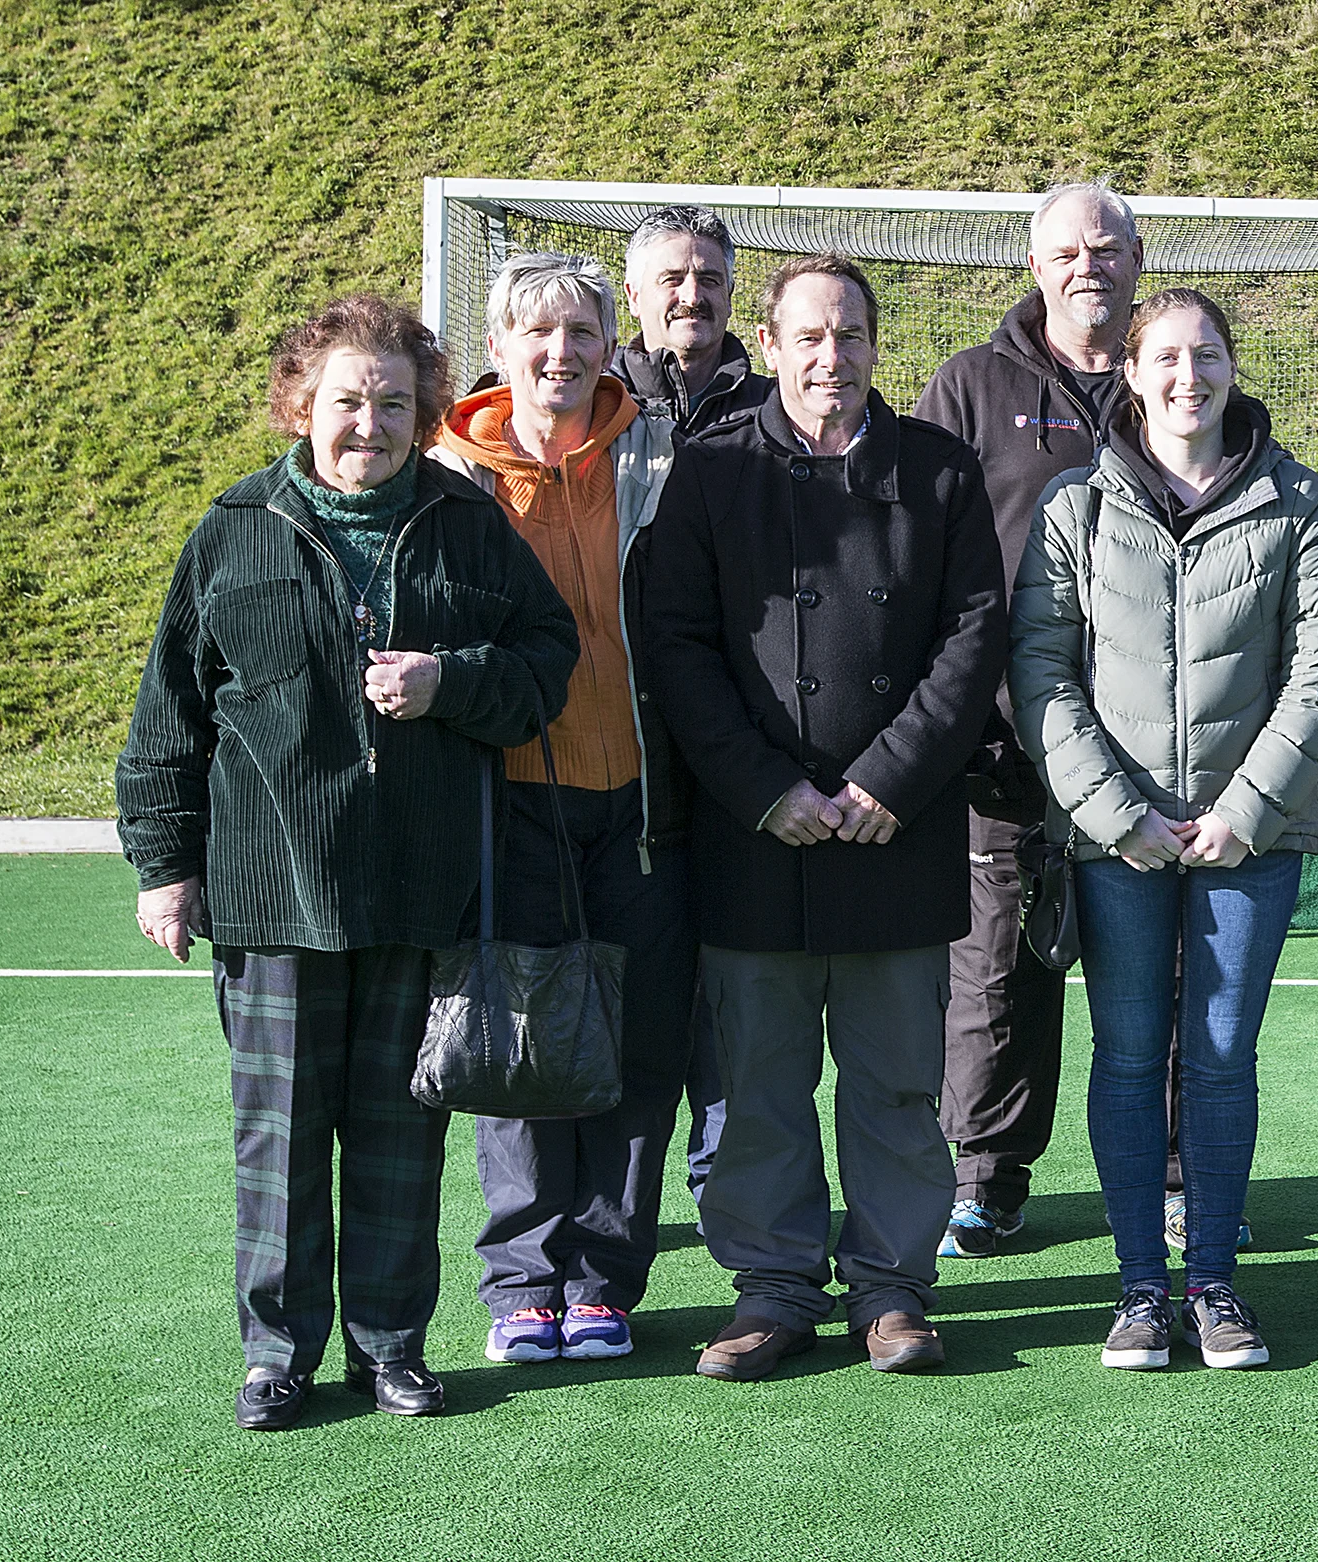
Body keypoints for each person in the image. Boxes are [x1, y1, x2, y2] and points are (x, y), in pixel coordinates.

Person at [117, 293, 576, 1430]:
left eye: (389, 402)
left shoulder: (468, 524)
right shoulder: (234, 527)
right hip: (274, 896)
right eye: (343, 401)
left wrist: (449, 681)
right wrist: (165, 866)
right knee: (276, 1147)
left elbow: (544, 665)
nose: (365, 423)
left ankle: (390, 1347)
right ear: (299, 405)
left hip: (419, 891)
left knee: (397, 1139)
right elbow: (168, 716)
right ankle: (278, 1355)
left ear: (424, 413)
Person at [642, 253, 1008, 1380]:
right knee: (757, 1086)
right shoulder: (708, 472)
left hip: (894, 832)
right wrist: (764, 789)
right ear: (775, 339)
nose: (828, 356)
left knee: (897, 1080)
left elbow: (972, 639)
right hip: (756, 836)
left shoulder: (940, 473)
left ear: (874, 344)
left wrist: (886, 780)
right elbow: (680, 646)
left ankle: (893, 1288)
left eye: (848, 334)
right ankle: (772, 1285)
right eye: (808, 335)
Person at [1009, 288, 1318, 1371]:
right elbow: (1040, 672)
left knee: (1216, 1058)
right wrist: (1119, 817)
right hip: (1116, 845)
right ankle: (1137, 1289)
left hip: (1244, 844)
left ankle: (1212, 1279)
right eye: (1163, 357)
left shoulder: (1297, 498)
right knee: (1124, 1059)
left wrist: (1243, 812)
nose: (1185, 376)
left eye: (1204, 354)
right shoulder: (1074, 505)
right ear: (1130, 369)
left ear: (1231, 364)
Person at [431, 252, 695, 1368]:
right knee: (522, 1040)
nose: (561, 353)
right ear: (499, 347)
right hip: (510, 802)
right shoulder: (446, 476)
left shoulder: (664, 455)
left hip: (643, 799)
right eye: (537, 333)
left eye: (581, 332)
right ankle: (524, 1279)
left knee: (638, 1046)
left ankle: (604, 1276)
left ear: (607, 343)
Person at [912, 181, 1144, 1259]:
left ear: (1136, 259)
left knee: (1164, 973)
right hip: (1008, 746)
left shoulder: (1178, 376)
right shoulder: (968, 387)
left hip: (1157, 745)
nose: (1087, 265)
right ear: (1036, 263)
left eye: (1106, 247)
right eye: (1067, 251)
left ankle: (1179, 1176)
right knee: (997, 969)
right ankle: (986, 1178)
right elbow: (915, 554)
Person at [611, 204, 772, 1224]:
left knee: (742, 1016)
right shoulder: (593, 408)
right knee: (633, 1018)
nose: (690, 292)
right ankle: (612, 1228)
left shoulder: (777, 406)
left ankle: (734, 1206)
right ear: (633, 293)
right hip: (624, 764)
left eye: (708, 275)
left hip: (751, 759)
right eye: (670, 276)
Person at [612, 203, 770, 435]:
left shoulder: (773, 411)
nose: (692, 298)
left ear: (729, 296)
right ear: (634, 297)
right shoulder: (593, 400)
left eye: (709, 280)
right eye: (672, 279)